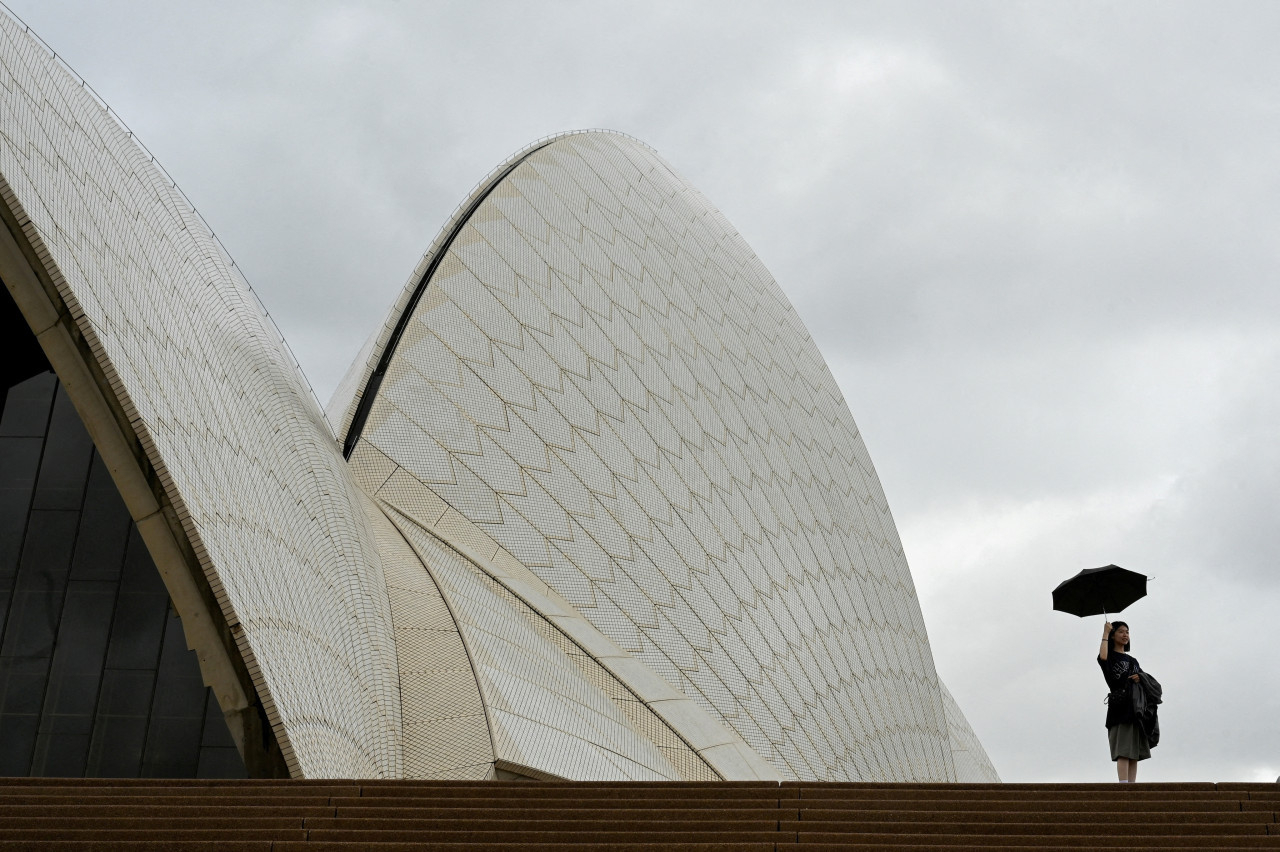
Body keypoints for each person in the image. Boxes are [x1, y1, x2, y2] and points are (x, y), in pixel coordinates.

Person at [1098, 620, 1149, 782]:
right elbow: (1103, 657)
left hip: (1135, 708)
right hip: (1119, 707)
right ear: (1113, 635)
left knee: (1134, 752)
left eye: (1127, 631)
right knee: (1123, 750)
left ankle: (1132, 787)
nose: (1125, 635)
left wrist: (1139, 677)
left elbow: (1145, 680)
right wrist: (1105, 632)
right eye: (1120, 631)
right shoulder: (1110, 655)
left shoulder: (1133, 661)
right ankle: (1123, 787)